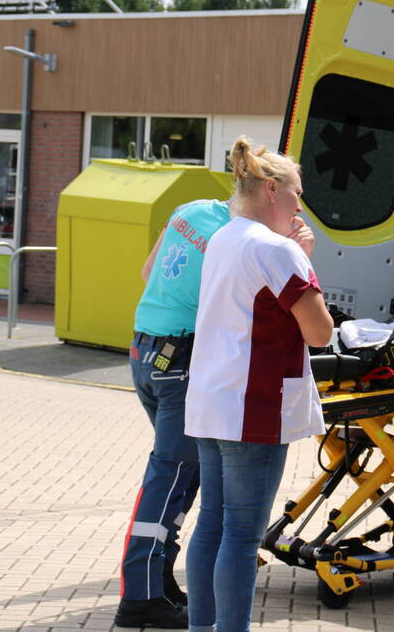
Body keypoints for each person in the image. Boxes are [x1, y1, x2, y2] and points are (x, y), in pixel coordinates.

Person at [183, 137, 333, 632]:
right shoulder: (275, 249)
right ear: (270, 190)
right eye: (295, 194)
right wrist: (304, 258)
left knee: (212, 524)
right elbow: (319, 331)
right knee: (241, 536)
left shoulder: (226, 236)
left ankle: (201, 626)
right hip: (254, 406)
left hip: (211, 399)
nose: (298, 205)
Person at [114, 195, 232, 629]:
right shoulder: (233, 236)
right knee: (170, 475)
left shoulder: (191, 209)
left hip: (145, 350)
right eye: (295, 194)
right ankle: (141, 595)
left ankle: (158, 578)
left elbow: (149, 273)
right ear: (268, 191)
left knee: (185, 471)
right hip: (180, 362)